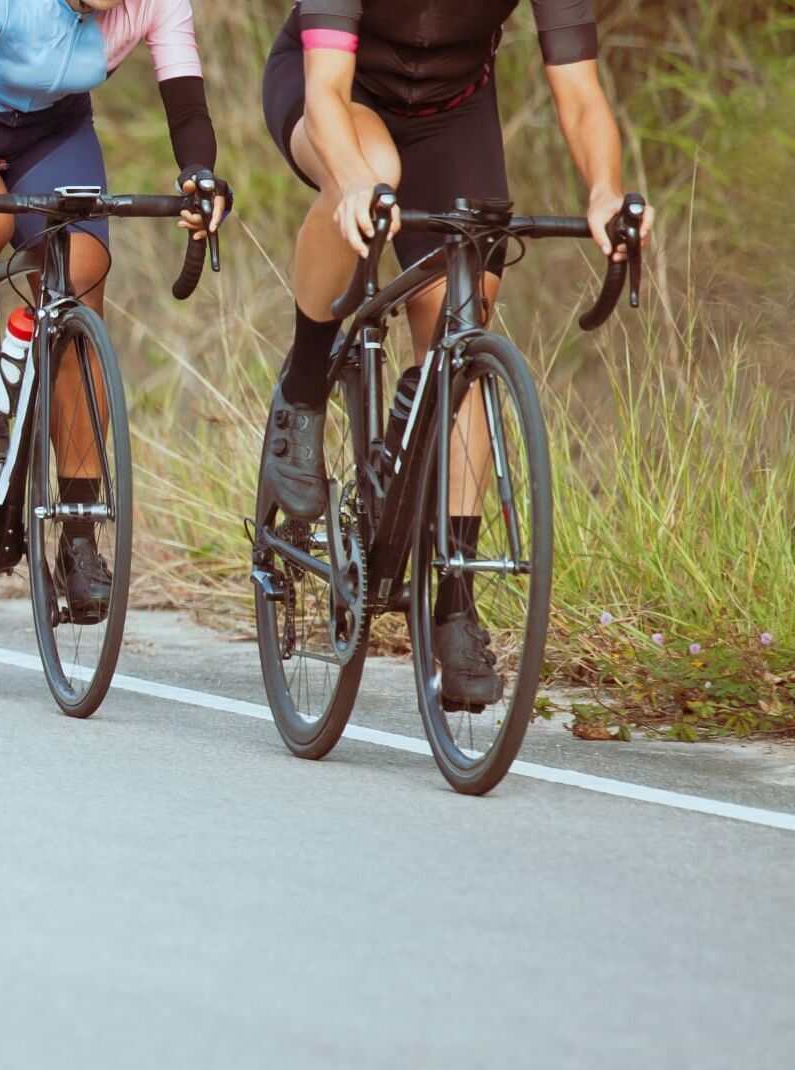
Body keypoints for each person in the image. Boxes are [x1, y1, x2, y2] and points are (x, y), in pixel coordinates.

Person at [257, 0, 654, 704]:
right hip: (338, 92)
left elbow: (580, 93)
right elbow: (325, 88)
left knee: (461, 329)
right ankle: (305, 385)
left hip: (453, 110)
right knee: (372, 167)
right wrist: (355, 183)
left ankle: (455, 602)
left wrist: (603, 191)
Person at [0, 0, 230, 617]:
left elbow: (187, 111)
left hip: (54, 132)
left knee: (81, 273)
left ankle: (78, 536)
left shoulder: (157, 4)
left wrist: (199, 175)